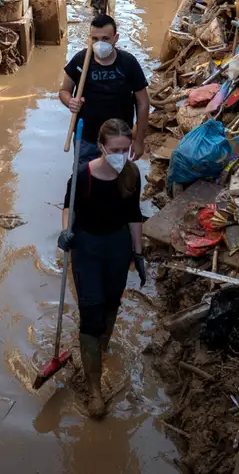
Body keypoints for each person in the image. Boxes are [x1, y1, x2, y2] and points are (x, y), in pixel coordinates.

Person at [57, 119, 147, 418]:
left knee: (111, 306)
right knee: (91, 314)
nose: (121, 155)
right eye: (115, 149)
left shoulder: (132, 174)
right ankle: (94, 389)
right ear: (101, 148)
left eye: (125, 148)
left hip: (118, 249)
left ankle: (100, 350)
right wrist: (65, 231)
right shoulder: (84, 176)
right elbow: (69, 207)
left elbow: (134, 214)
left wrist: (139, 253)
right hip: (88, 249)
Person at [60, 14, 151, 167]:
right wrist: (70, 102)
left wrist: (139, 140)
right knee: (84, 179)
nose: (99, 44)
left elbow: (143, 102)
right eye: (95, 39)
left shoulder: (128, 63)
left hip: (118, 141)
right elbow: (64, 91)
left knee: (115, 180)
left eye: (105, 39)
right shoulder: (80, 61)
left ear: (116, 38)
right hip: (86, 138)